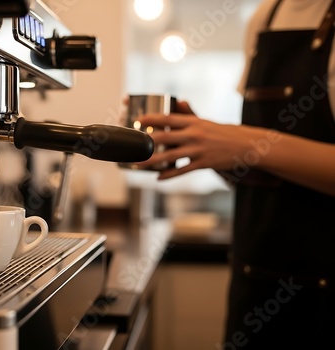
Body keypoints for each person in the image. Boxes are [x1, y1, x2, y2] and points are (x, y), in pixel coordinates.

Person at [136, 0, 335, 348]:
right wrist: (209, 149)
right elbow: (268, 174)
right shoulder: (264, 17)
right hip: (255, 291)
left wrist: (248, 142)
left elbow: (264, 152)